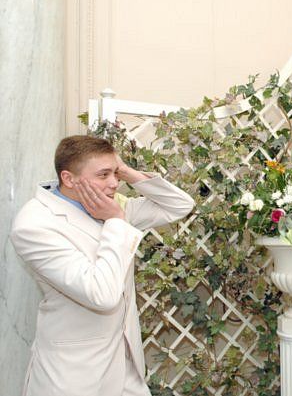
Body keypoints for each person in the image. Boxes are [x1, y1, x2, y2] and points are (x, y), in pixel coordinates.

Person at [10, 135, 195, 396]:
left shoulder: (110, 205)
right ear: (69, 178)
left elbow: (180, 205)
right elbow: (102, 295)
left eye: (115, 173)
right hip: (73, 374)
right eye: (103, 175)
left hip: (125, 366)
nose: (114, 183)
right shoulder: (34, 225)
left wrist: (126, 171)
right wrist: (116, 221)